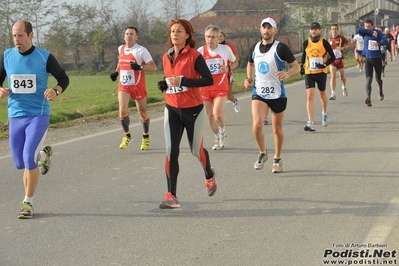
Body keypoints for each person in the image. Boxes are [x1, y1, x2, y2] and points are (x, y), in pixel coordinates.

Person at [0, 20, 69, 219]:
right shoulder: (7, 56)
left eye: (20, 35)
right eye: (14, 36)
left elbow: (63, 78)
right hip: (15, 115)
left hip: (38, 115)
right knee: (19, 163)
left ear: (31, 35)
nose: (16, 40)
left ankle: (27, 203)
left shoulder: (44, 57)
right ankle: (43, 156)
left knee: (28, 158)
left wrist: (56, 90)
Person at [157, 19, 216, 209]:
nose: (175, 34)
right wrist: (164, 84)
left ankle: (209, 175)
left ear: (187, 35)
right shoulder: (166, 57)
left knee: (195, 150)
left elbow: (208, 80)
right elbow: (170, 79)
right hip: (172, 109)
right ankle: (171, 195)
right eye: (172, 31)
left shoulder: (194, 56)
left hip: (193, 111)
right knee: (170, 150)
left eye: (179, 31)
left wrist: (184, 81)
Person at [243, 17, 300, 173]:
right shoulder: (254, 48)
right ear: (260, 30)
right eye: (264, 27)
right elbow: (250, 64)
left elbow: (296, 67)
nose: (266, 30)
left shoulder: (281, 48)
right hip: (259, 92)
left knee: (277, 129)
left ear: (275, 30)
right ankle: (262, 153)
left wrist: (287, 75)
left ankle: (277, 158)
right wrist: (248, 78)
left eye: (270, 28)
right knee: (256, 125)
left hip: (277, 93)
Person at [110, 26, 157, 150]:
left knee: (141, 112)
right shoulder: (121, 48)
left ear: (136, 37)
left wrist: (140, 67)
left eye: (131, 34)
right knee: (122, 110)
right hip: (124, 85)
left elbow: (153, 67)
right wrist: (116, 72)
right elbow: (120, 62)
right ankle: (127, 135)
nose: (128, 36)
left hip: (138, 86)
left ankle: (146, 136)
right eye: (126, 34)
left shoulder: (141, 51)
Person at [198, 25, 238, 150]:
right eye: (208, 37)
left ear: (218, 38)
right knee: (210, 116)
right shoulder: (200, 51)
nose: (210, 40)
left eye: (213, 37)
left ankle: (222, 130)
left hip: (221, 86)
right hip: (205, 88)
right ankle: (216, 138)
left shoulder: (225, 49)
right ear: (205, 37)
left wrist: (228, 68)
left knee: (217, 113)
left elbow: (235, 61)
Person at [300, 22, 336, 132]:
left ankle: (324, 113)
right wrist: (301, 66)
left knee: (321, 94)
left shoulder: (324, 42)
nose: (313, 31)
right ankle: (310, 122)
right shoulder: (306, 42)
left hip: (321, 72)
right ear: (310, 30)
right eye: (312, 29)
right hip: (309, 72)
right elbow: (303, 55)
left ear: (320, 30)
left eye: (316, 29)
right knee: (310, 96)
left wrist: (324, 64)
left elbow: (332, 57)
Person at [358, 20, 388, 106]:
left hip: (377, 59)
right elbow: (359, 30)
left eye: (369, 26)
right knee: (368, 79)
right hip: (368, 59)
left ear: (372, 26)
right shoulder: (365, 33)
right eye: (366, 26)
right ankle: (368, 98)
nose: (367, 28)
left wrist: (378, 43)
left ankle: (381, 91)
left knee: (378, 78)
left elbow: (385, 41)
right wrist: (370, 31)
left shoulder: (378, 32)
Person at [219, 30, 241, 113]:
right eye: (217, 36)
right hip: (216, 75)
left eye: (221, 36)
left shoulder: (228, 46)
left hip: (227, 73)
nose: (219, 38)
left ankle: (235, 101)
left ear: (224, 37)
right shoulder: (212, 47)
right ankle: (218, 114)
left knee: (228, 95)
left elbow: (236, 59)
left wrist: (229, 67)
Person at [328, 24, 351, 100]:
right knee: (333, 76)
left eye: (335, 29)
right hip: (332, 60)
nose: (334, 30)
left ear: (338, 30)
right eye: (332, 29)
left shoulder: (341, 38)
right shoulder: (329, 39)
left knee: (341, 77)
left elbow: (350, 45)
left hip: (340, 59)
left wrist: (342, 48)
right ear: (331, 30)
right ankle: (333, 93)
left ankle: (344, 87)